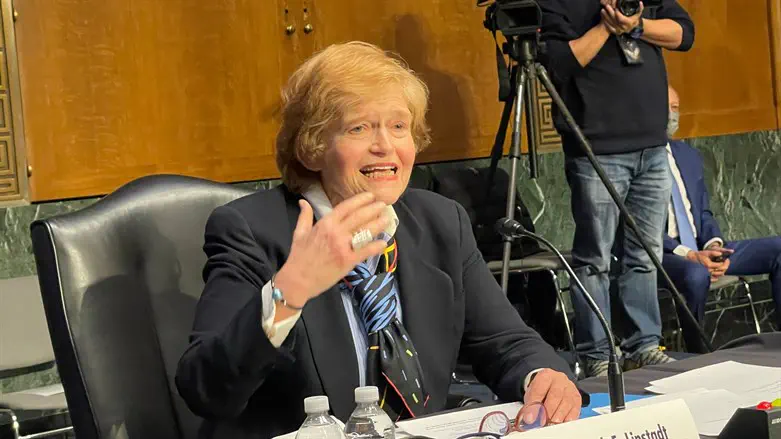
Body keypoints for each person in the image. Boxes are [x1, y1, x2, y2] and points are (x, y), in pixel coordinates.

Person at [175, 42, 582, 439]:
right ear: (313, 147)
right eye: (359, 128)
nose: (385, 146)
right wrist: (290, 291)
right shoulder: (251, 229)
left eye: (399, 126)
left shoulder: (441, 222)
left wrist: (542, 375)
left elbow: (504, 341)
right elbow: (206, 389)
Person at [537, 0, 695, 377]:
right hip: (597, 149)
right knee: (595, 258)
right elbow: (559, 63)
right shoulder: (558, 4)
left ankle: (643, 344)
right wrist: (607, 27)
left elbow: (683, 34)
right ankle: (597, 354)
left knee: (645, 252)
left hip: (653, 146)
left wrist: (636, 24)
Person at [663, 86, 781, 352]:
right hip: (665, 254)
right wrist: (690, 255)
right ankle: (698, 353)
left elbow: (703, 213)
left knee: (778, 248)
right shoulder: (633, 161)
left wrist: (713, 245)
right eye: (667, 107)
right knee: (695, 273)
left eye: (676, 107)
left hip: (701, 248)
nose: (673, 115)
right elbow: (635, 227)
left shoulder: (688, 156)